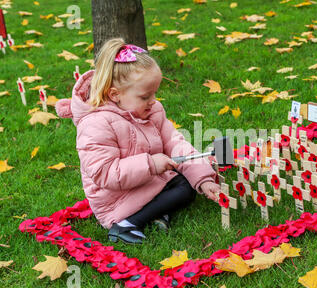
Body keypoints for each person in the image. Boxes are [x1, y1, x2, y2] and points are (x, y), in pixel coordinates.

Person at [55, 38, 221, 244]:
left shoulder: (152, 110)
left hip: (146, 181)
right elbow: (104, 173)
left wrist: (203, 178)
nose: (153, 101)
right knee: (183, 188)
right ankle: (126, 225)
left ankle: (158, 214)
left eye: (154, 93)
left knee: (188, 184)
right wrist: (150, 164)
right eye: (145, 96)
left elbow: (174, 142)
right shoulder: (95, 124)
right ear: (115, 94)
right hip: (115, 199)